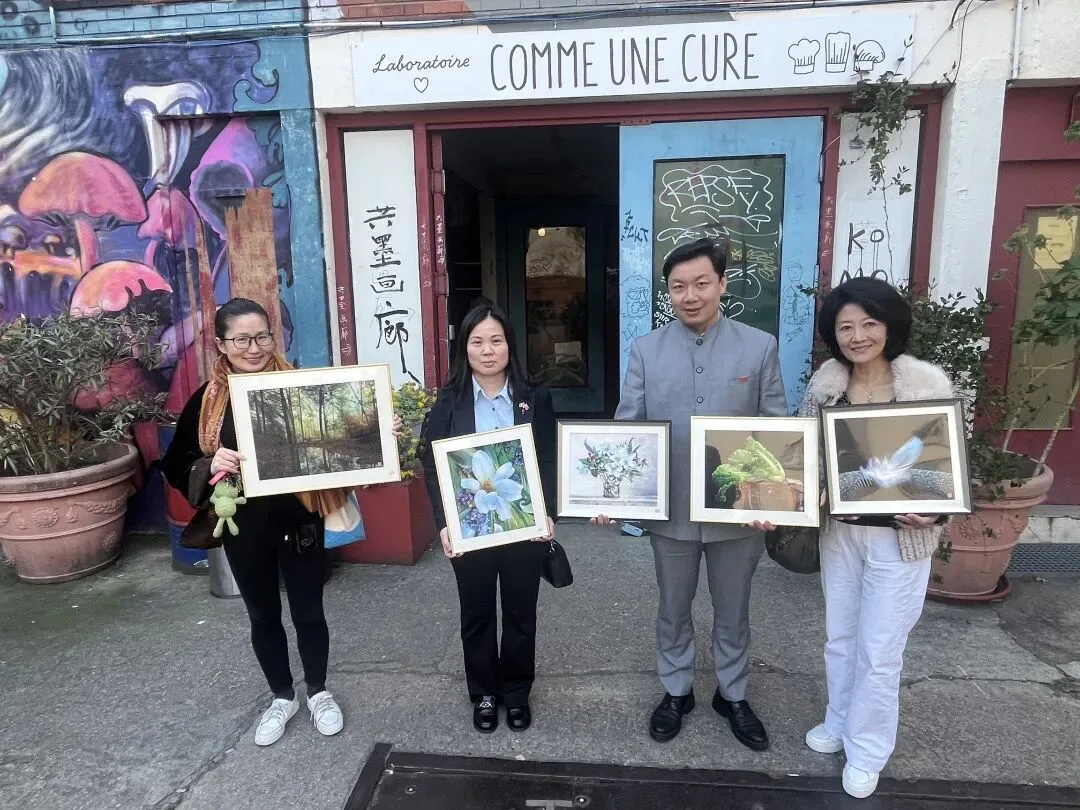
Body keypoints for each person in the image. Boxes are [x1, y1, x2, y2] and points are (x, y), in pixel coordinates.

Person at [163, 298, 396, 747]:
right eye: (241, 339)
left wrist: (379, 436)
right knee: (263, 615)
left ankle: (319, 692)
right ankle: (282, 696)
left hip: (301, 521)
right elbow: (175, 464)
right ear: (221, 344)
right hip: (245, 525)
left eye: (262, 337)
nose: (254, 348)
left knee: (309, 611)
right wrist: (210, 463)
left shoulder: (301, 387)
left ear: (275, 337)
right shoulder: (207, 402)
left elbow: (346, 438)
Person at [594, 237, 787, 750]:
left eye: (702, 283)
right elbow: (627, 429)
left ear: (722, 283)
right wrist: (609, 496)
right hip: (671, 509)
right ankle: (676, 690)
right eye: (678, 286)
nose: (690, 295)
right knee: (673, 606)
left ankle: (733, 693)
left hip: (738, 512)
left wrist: (773, 501)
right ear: (669, 292)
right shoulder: (646, 350)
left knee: (734, 609)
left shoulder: (758, 346)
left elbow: (775, 426)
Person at [797, 277, 952, 799]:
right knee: (840, 638)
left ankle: (867, 750)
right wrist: (810, 489)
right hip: (840, 534)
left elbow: (948, 466)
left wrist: (934, 513)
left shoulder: (927, 385)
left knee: (880, 649)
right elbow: (807, 454)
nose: (857, 336)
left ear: (889, 326)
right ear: (833, 334)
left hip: (899, 540)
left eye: (869, 323)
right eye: (845, 327)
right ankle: (839, 720)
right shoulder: (825, 386)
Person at [419, 304, 557, 734]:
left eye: (496, 340)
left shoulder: (535, 398)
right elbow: (432, 464)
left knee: (521, 612)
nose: (488, 350)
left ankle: (516, 692)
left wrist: (547, 512)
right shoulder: (449, 402)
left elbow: (549, 459)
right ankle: (483, 692)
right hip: (470, 529)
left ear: (509, 345)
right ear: (465, 348)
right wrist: (445, 522)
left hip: (523, 526)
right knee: (477, 613)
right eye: (477, 341)